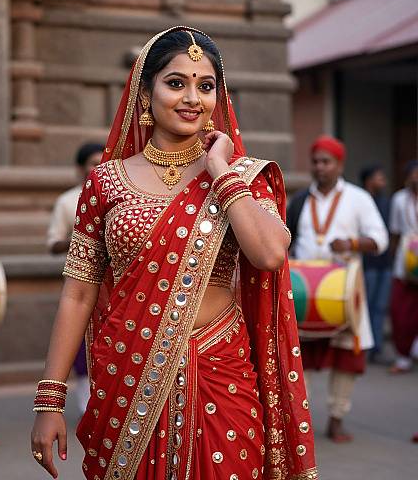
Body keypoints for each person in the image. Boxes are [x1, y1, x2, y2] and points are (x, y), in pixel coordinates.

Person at [30, 27, 317, 480]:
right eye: (176, 82)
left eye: (206, 86)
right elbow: (78, 295)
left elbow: (269, 254)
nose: (192, 98)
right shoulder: (106, 181)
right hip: (127, 376)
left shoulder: (243, 176)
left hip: (220, 369)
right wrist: (50, 399)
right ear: (146, 91)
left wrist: (219, 171)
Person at [287, 135, 388, 443]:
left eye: (326, 162)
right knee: (295, 358)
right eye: (316, 162)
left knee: (346, 360)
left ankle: (336, 418)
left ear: (340, 165)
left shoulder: (359, 198)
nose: (320, 168)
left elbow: (380, 239)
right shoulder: (301, 199)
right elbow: (285, 238)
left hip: (343, 293)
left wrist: (353, 243)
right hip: (304, 292)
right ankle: (296, 423)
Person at [47, 142, 103, 416]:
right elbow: (53, 243)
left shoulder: (120, 193)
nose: (98, 167)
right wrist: (81, 241)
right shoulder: (68, 201)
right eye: (93, 163)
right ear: (81, 168)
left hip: (118, 288)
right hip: (83, 284)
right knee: (83, 351)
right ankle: (88, 411)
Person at [359, 165, 392, 363]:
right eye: (379, 178)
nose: (383, 182)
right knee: (365, 306)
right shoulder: (359, 201)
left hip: (384, 264)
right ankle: (364, 347)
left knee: (380, 306)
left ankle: (376, 348)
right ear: (369, 180)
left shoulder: (386, 202)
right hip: (366, 265)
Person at [388, 160, 418, 373]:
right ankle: (403, 357)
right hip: (405, 260)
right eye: (413, 174)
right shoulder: (399, 199)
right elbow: (395, 233)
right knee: (401, 311)